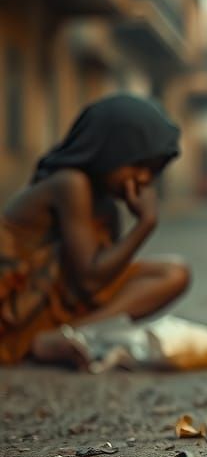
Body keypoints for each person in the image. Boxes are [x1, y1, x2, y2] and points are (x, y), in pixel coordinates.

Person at [0, 94, 189, 366]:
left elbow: (96, 286)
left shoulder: (105, 206)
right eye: (137, 165)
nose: (145, 179)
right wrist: (145, 225)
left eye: (153, 171)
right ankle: (69, 335)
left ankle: (69, 334)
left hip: (58, 303)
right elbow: (90, 280)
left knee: (175, 273)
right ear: (108, 151)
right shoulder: (71, 184)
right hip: (15, 310)